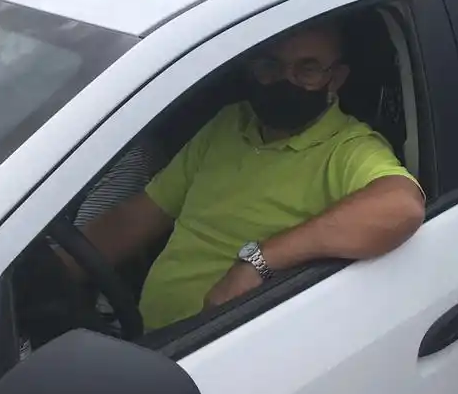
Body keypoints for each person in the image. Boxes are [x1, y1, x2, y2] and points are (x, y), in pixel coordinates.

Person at [76, 17, 425, 331]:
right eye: (271, 66)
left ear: (335, 78)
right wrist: (53, 269)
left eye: (307, 70)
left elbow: (400, 205)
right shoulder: (230, 123)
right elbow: (136, 219)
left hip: (221, 352)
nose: (284, 81)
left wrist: (257, 261)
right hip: (147, 336)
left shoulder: (347, 149)